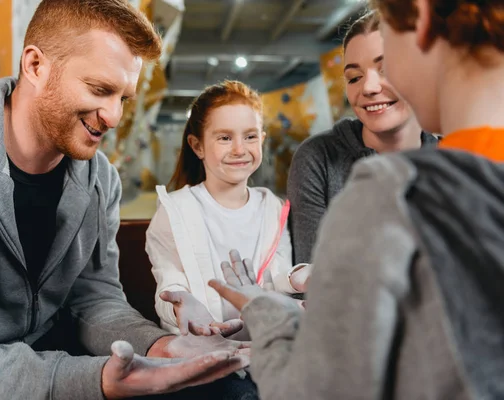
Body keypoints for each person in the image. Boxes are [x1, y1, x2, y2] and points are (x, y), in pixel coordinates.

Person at [0, 1, 253, 399]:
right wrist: (98, 379)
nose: (115, 116)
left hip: (43, 366)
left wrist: (161, 347)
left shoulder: (99, 177)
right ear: (35, 66)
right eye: (100, 89)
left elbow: (94, 299)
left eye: (124, 97)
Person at [208, 0, 504, 399]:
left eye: (386, 59)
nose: (371, 84)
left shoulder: (391, 194)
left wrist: (264, 310)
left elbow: (313, 390)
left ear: (422, 18)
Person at [145, 80, 311, 337]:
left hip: (264, 351)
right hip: (200, 352)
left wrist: (296, 277)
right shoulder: (174, 211)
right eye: (224, 137)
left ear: (262, 140)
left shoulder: (274, 209)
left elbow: (273, 279)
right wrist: (180, 308)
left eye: (250, 136)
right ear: (197, 145)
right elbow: (170, 284)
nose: (239, 149)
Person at [287, 10, 438, 265]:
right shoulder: (319, 158)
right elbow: (313, 277)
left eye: (386, 69)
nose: (368, 88)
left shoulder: (453, 159)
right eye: (354, 78)